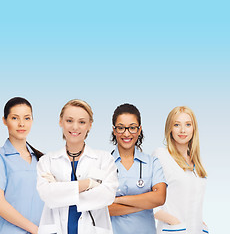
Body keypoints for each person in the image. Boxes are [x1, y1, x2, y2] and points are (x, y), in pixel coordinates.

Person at [36, 99, 117, 234]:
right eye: (69, 121)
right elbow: (47, 195)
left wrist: (59, 189)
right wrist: (89, 184)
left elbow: (107, 195)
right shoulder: (47, 161)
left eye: (82, 122)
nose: (75, 127)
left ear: (90, 125)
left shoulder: (104, 159)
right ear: (60, 121)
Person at [0, 97, 44, 234]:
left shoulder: (41, 160)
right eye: (15, 118)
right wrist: (36, 230)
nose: (21, 124)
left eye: (27, 118)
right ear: (5, 121)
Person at [107, 103, 166, 234]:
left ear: (139, 130)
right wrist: (145, 202)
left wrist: (118, 200)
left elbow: (159, 198)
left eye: (132, 128)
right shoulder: (103, 163)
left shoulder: (152, 162)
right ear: (114, 130)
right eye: (121, 128)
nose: (127, 133)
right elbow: (103, 208)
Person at [152, 106, 208, 233]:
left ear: (194, 129)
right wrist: (174, 222)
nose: (183, 130)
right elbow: (149, 202)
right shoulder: (161, 155)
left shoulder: (197, 163)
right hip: (174, 230)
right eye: (177, 125)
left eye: (188, 124)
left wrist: (201, 224)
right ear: (169, 128)